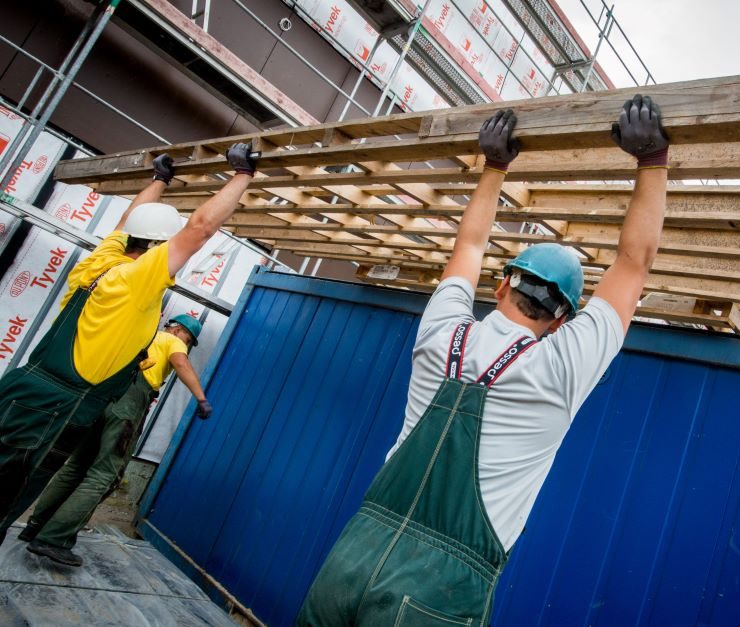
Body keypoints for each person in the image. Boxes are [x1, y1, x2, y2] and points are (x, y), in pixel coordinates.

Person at [296, 94, 670, 625]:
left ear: (500, 288)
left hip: (350, 559)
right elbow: (634, 264)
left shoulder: (441, 331)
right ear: (561, 320)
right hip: (438, 595)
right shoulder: (560, 368)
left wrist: (495, 165)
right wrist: (652, 161)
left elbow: (468, 246)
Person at [0, 143, 258, 545]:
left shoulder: (102, 261)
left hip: (24, 388)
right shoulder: (137, 280)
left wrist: (159, 180)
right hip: (54, 406)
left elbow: (125, 221)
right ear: (156, 246)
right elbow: (200, 229)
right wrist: (243, 174)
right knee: (6, 495)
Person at [17, 315, 211, 566]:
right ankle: (53, 539)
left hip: (103, 396)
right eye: (188, 339)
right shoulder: (171, 340)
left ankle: (34, 527)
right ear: (181, 331)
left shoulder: (142, 335)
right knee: (103, 475)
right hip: (128, 404)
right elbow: (180, 363)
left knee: (76, 466)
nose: (186, 344)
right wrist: (201, 398)